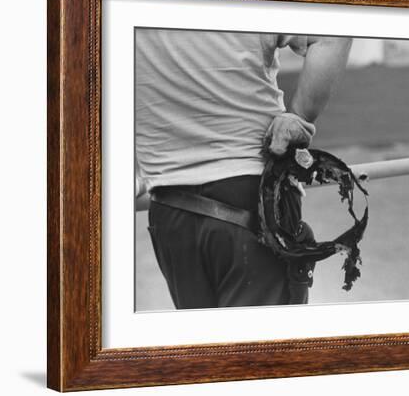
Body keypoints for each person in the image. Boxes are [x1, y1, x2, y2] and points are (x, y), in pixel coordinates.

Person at [135, 29, 352, 309]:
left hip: (170, 209)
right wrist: (299, 116)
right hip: (252, 194)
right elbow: (334, 35)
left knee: (208, 350)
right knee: (260, 351)